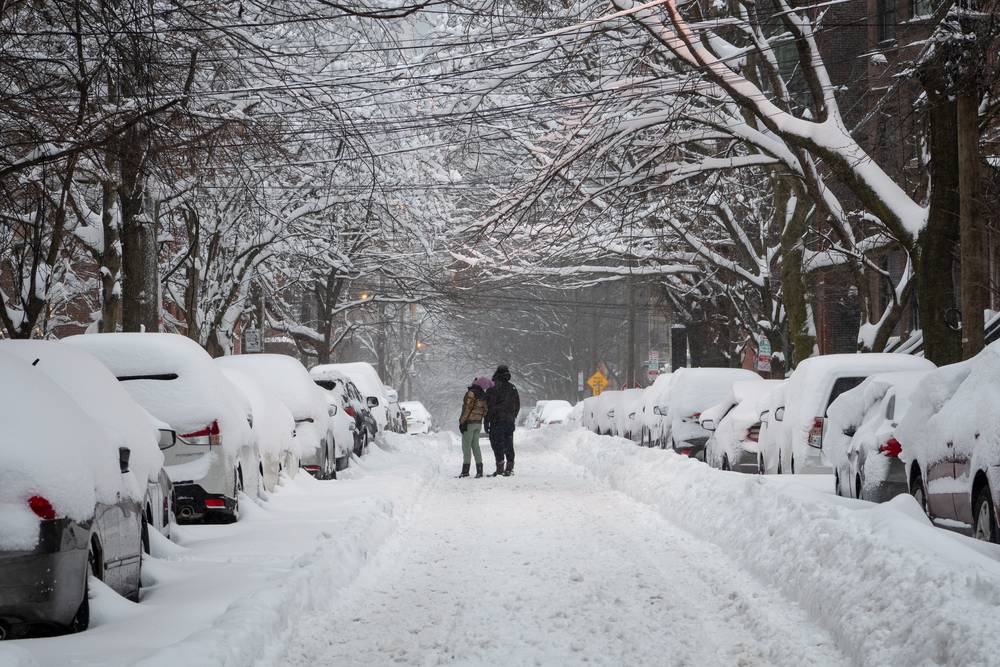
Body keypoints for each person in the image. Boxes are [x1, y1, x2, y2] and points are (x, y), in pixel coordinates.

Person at [485, 364, 520, 476]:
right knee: (508, 444)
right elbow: (517, 405)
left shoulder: (492, 388)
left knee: (497, 444)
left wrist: (486, 421)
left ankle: (500, 467)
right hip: (509, 421)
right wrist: (513, 416)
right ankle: (509, 467)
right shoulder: (512, 388)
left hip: (495, 421)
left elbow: (487, 406)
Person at [458, 377, 492, 478]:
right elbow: (485, 410)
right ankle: (479, 470)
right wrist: (479, 418)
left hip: (469, 423)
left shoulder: (471, 393)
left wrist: (462, 421)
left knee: (466, 447)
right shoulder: (484, 395)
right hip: (478, 424)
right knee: (476, 446)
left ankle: (465, 471)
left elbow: (467, 409)